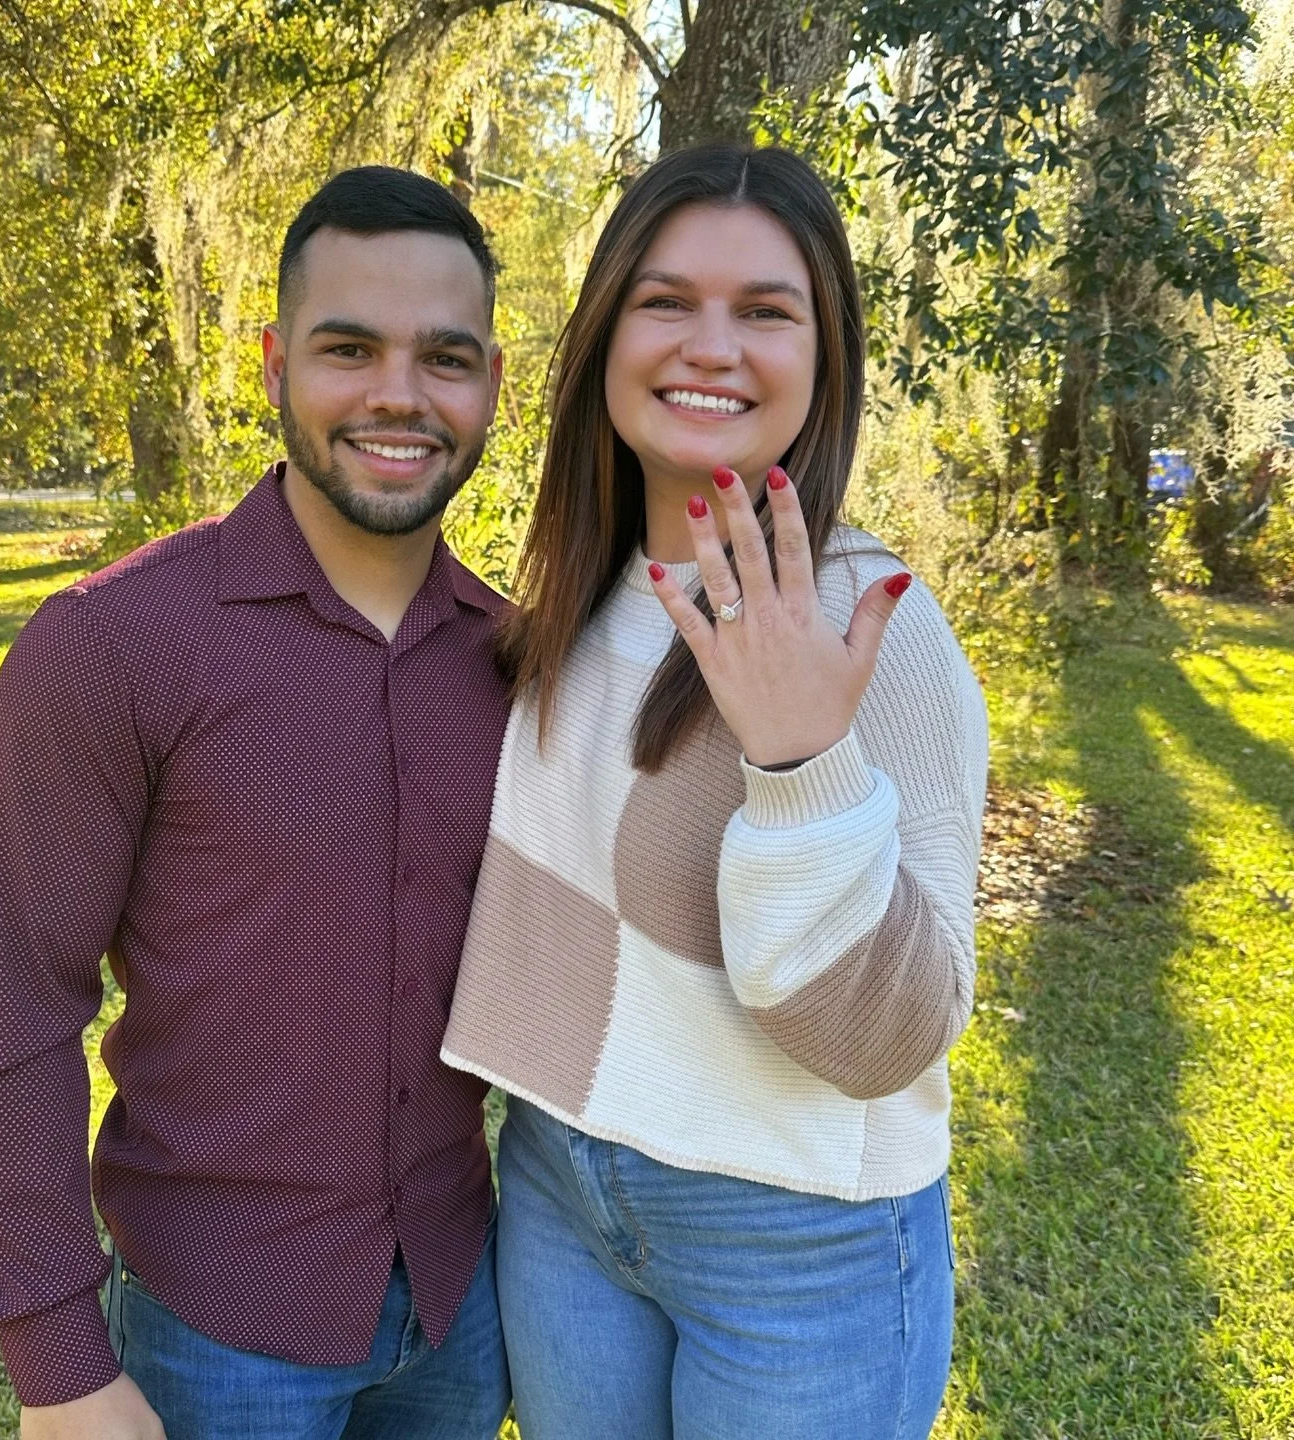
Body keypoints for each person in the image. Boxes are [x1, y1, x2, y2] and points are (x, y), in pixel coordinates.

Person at [0, 166, 513, 1440]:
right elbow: (17, 1008)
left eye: (444, 356)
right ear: (270, 364)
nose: (397, 394)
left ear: (494, 385)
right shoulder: (112, 645)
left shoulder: (516, 661)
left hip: (461, 1315)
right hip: (218, 1336)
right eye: (347, 347)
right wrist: (59, 1365)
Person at [442, 143, 988, 1439]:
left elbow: (889, 1038)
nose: (711, 346)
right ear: (605, 332)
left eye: (766, 311)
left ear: (824, 356)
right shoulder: (574, 594)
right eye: (668, 301)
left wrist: (800, 766)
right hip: (562, 1188)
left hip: (795, 1242)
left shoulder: (873, 628)